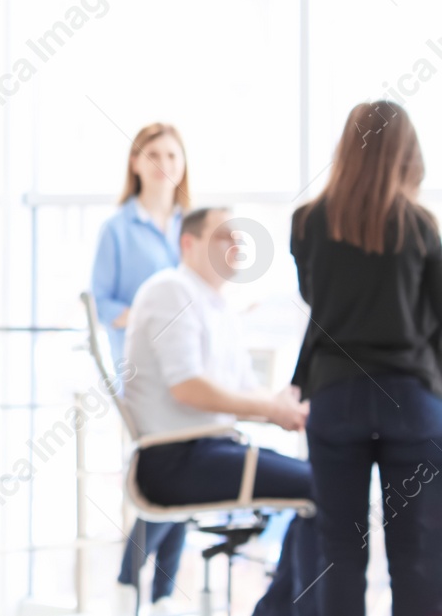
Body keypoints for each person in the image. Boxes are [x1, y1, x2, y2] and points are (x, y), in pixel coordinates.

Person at [123, 207, 322, 616]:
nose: (236, 246)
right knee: (321, 489)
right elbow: (189, 387)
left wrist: (288, 407)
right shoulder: (171, 291)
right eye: (223, 237)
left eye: (239, 239)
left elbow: (245, 391)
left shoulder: (218, 306)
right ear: (188, 243)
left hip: (210, 451)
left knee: (324, 485)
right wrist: (272, 408)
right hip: (175, 459)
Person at [291, 100, 442, 616]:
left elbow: (316, 304)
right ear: (407, 154)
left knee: (339, 552)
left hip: (335, 399)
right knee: (418, 555)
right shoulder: (421, 227)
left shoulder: (307, 223)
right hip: (411, 401)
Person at [93, 123, 191, 613]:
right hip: (140, 372)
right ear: (135, 162)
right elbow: (102, 301)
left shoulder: (190, 226)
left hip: (189, 370)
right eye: (154, 154)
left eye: (173, 155)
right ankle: (135, 581)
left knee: (190, 469)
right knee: (172, 472)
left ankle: (155, 593)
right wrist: (146, 315)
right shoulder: (117, 228)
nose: (164, 163)